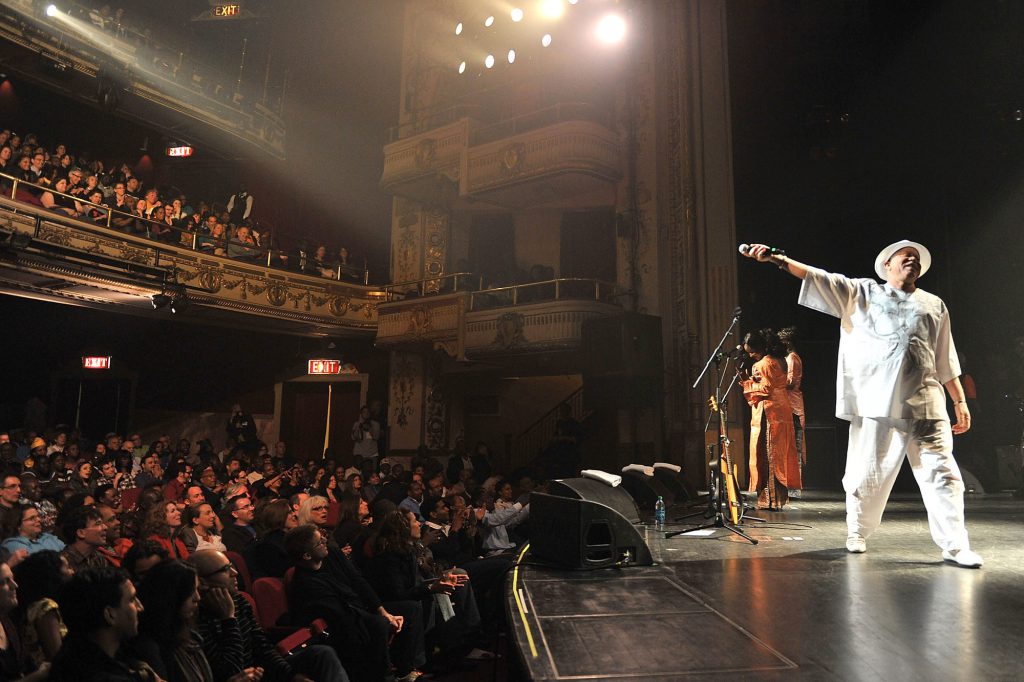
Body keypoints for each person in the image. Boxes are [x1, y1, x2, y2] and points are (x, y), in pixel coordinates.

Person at [741, 240, 982, 567]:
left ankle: (955, 546)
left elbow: (945, 356)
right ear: (887, 266)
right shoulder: (862, 293)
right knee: (867, 473)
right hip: (876, 402)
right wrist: (779, 260)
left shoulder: (934, 304)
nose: (912, 261)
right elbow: (819, 277)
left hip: (927, 402)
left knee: (944, 475)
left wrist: (959, 401)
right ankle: (857, 530)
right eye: (905, 257)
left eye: (916, 259)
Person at [189, 550, 347, 682]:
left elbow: (262, 646)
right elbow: (230, 670)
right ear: (202, 582)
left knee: (322, 653)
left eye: (231, 566)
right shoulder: (195, 615)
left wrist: (292, 676)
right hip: (240, 677)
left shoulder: (238, 600)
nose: (234, 573)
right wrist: (228, 619)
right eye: (225, 570)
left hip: (259, 670)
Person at [132, 560, 262, 682]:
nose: (197, 597)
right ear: (171, 597)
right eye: (190, 592)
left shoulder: (189, 635)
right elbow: (229, 670)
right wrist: (228, 619)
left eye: (197, 590)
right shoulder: (151, 648)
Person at [50, 567, 158, 681]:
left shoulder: (70, 654)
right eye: (132, 600)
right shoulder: (105, 676)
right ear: (110, 615)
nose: (140, 607)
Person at [739, 329, 801, 510]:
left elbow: (765, 389)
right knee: (779, 454)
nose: (750, 355)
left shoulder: (762, 364)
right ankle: (777, 500)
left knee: (767, 455)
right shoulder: (780, 360)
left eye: (752, 351)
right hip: (783, 409)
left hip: (770, 413)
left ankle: (770, 500)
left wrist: (747, 383)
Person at [777, 326, 808, 498]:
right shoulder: (789, 358)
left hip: (794, 407)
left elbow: (790, 382)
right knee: (789, 447)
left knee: (795, 447)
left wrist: (773, 380)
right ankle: (790, 485)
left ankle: (794, 488)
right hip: (789, 405)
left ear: (788, 343)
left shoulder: (792, 358)